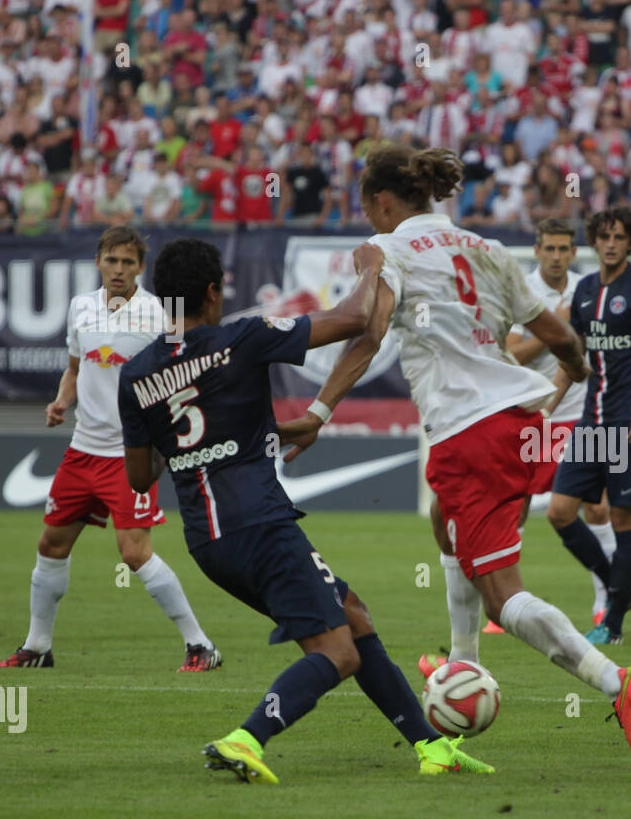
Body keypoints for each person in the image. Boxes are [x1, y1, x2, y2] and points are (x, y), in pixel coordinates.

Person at [280, 144, 631, 778]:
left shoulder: (390, 251)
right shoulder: (488, 249)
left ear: (382, 202)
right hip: (514, 421)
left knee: (501, 598)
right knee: (443, 524)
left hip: (468, 434)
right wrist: (576, 370)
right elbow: (561, 336)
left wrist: (318, 413)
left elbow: (367, 334)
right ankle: (461, 659)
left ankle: (614, 680)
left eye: (367, 207)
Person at [119, 237, 493, 783]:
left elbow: (139, 476)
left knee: (354, 615)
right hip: (260, 524)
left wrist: (205, 441)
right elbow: (352, 318)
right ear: (211, 292)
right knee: (340, 652)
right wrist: (368, 269)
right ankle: (245, 739)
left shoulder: (136, 376)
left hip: (209, 540)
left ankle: (430, 746)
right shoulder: (243, 338)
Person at [0, 227, 220, 674]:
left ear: (141, 268)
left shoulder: (162, 312)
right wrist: (62, 401)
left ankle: (201, 645)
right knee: (51, 545)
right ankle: (38, 647)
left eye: (128, 262)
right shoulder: (81, 307)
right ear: (98, 261)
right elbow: (75, 368)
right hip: (82, 451)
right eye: (112, 260)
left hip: (131, 455)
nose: (119, 270)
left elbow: (187, 369)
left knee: (134, 553)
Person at [545, 206, 631, 648]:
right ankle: (618, 585)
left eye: (619, 237)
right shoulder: (583, 291)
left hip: (629, 423)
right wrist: (544, 408)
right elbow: (574, 359)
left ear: (630, 243)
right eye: (604, 236)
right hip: (592, 421)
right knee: (559, 511)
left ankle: (613, 623)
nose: (610, 243)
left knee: (622, 518)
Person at [492, 218, 613, 631]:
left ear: (574, 252)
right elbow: (510, 358)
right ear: (537, 250)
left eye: (564, 249)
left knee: (597, 505)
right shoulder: (520, 292)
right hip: (534, 414)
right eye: (550, 249)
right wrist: (554, 328)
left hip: (585, 414)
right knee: (515, 506)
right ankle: (505, 603)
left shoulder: (590, 288)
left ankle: (605, 600)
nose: (557, 257)